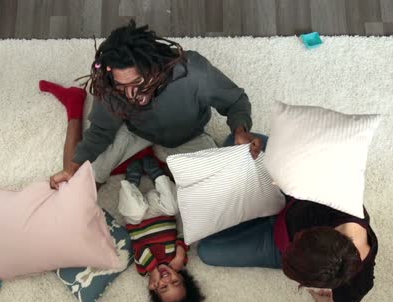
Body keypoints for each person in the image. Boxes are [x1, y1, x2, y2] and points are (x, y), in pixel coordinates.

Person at [48, 19, 262, 189]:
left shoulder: (194, 72)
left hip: (187, 136)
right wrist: (74, 166)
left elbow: (235, 100)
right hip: (135, 132)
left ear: (154, 68)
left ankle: (154, 159)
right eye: (122, 87)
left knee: (221, 189)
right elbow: (101, 130)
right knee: (79, 181)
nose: (131, 95)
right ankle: (74, 107)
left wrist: (240, 129)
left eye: (138, 82)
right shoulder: (110, 85)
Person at [196, 135, 378, 302]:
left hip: (277, 242)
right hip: (292, 196)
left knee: (206, 250)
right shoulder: (342, 194)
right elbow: (306, 163)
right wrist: (274, 169)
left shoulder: (357, 284)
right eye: (298, 238)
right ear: (318, 231)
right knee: (235, 142)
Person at [119, 155, 204, 302]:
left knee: (132, 210)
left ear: (154, 287)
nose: (167, 279)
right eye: (175, 282)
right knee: (174, 206)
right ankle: (157, 174)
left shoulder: (144, 270)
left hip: (138, 219)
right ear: (182, 278)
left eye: (164, 287)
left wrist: (152, 270)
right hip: (161, 211)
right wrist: (179, 254)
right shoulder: (178, 262)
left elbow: (140, 250)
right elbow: (183, 238)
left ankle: (131, 181)